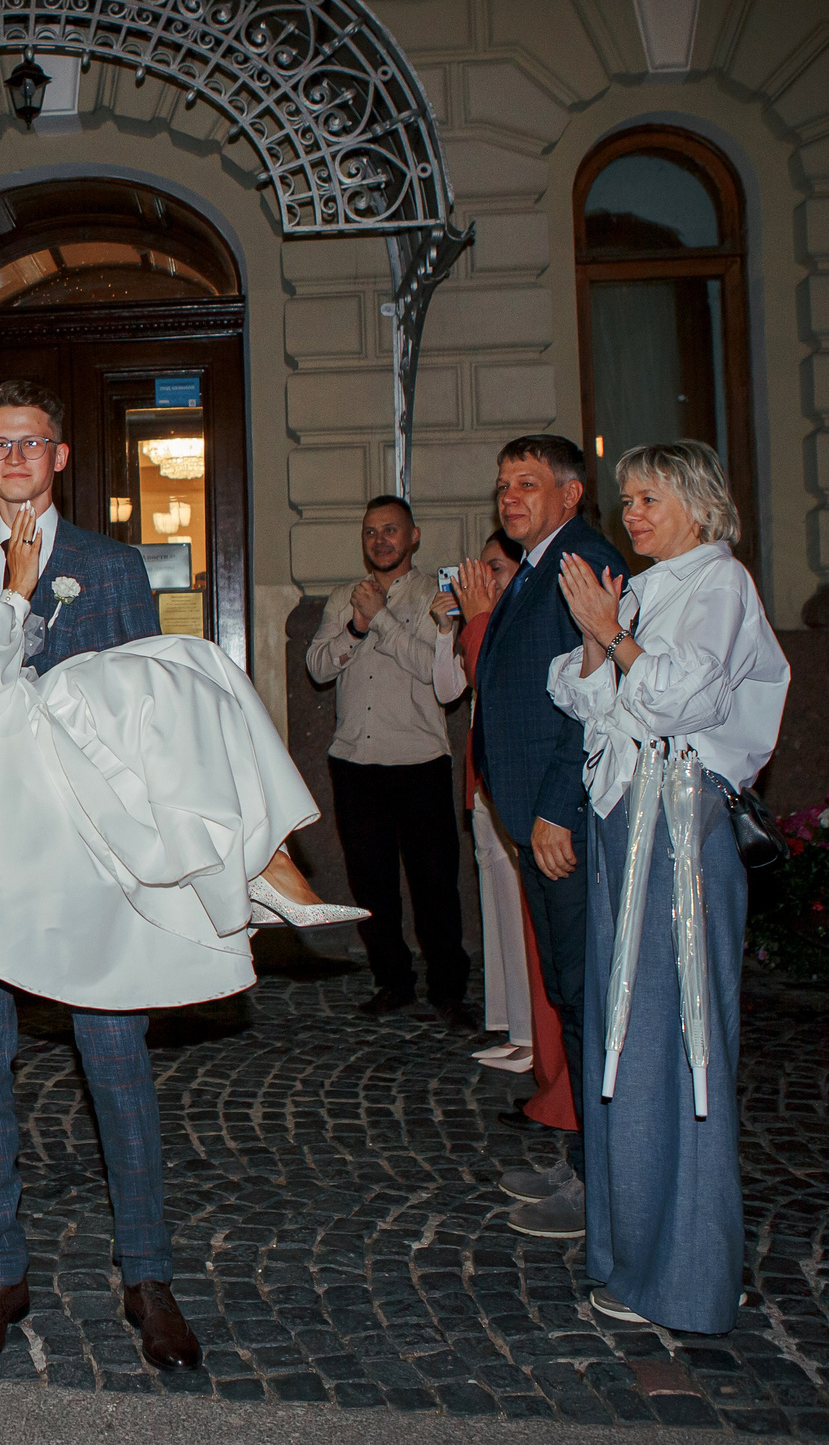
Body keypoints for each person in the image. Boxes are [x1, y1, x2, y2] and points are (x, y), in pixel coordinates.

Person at [0, 381, 358, 1374]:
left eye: (31, 442)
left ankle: (146, 1277)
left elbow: (152, 702)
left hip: (94, 854)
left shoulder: (113, 568)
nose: (13, 459)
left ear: (61, 456)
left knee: (115, 1063)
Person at [548, 440, 787, 1332]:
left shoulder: (721, 585)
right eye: (629, 500)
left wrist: (610, 636)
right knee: (626, 1033)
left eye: (647, 498)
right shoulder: (648, 590)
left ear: (696, 500)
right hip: (628, 820)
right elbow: (590, 699)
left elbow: (686, 700)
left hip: (680, 832)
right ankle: (630, 1254)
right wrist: (600, 636)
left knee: (675, 1038)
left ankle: (686, 1277)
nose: (632, 515)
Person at [470, 435, 628, 1240]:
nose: (510, 497)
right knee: (569, 994)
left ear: (570, 494)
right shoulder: (539, 561)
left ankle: (604, 1184)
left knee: (587, 996)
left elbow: (596, 696)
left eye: (527, 484)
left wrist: (559, 806)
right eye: (503, 485)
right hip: (533, 816)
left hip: (561, 820)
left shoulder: (583, 561)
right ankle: (580, 1156)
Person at [303, 496, 476, 1029]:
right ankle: (392, 981)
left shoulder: (438, 599)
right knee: (371, 882)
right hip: (356, 760)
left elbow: (439, 675)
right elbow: (317, 668)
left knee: (434, 883)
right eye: (372, 532)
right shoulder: (342, 597)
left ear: (414, 536)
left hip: (419, 759)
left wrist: (381, 621)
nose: (380, 540)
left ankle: (448, 989)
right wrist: (354, 627)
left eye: (391, 531)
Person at [434, 530, 533, 1066]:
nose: (484, 578)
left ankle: (532, 1032)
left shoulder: (521, 621)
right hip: (483, 775)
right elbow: (448, 688)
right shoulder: (482, 620)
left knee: (520, 909)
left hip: (512, 775)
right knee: (496, 901)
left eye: (496, 567)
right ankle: (512, 1024)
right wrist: (447, 627)